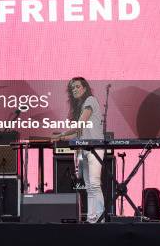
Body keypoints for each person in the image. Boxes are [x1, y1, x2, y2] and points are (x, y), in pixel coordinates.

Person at [53, 77, 104, 223]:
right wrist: (61, 138)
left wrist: (62, 134)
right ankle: (92, 218)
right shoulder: (82, 106)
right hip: (86, 148)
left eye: (77, 87)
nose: (74, 90)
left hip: (95, 148)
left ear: (85, 88)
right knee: (89, 186)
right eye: (72, 88)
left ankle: (100, 218)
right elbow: (79, 133)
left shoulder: (90, 101)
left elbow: (79, 125)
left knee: (94, 184)